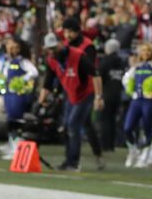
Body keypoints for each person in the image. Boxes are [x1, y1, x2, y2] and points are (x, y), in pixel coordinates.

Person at [44, 16, 106, 172]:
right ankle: (72, 159)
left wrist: (98, 97)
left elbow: (92, 72)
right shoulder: (61, 48)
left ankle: (89, 157)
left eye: (71, 31)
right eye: (65, 31)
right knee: (73, 125)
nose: (68, 34)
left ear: (78, 31)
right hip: (70, 90)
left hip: (86, 90)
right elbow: (52, 73)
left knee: (77, 125)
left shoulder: (87, 47)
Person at [122, 42, 152, 168]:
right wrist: (131, 92)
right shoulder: (137, 66)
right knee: (127, 128)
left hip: (150, 102)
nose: (145, 53)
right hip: (137, 101)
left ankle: (145, 156)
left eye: (148, 51)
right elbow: (125, 79)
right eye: (143, 51)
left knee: (149, 129)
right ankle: (133, 151)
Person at [0, 37, 38, 159]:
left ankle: (17, 149)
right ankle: (12, 145)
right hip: (8, 93)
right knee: (10, 120)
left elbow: (34, 72)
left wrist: (21, 80)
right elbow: (0, 72)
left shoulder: (23, 61)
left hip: (17, 94)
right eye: (9, 45)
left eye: (14, 46)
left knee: (16, 121)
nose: (11, 49)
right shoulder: (5, 60)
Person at [97, 38, 127, 154]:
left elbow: (99, 78)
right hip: (117, 94)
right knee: (113, 120)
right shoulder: (121, 61)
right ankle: (111, 145)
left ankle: (104, 145)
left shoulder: (105, 61)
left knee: (105, 119)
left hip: (106, 94)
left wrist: (98, 95)